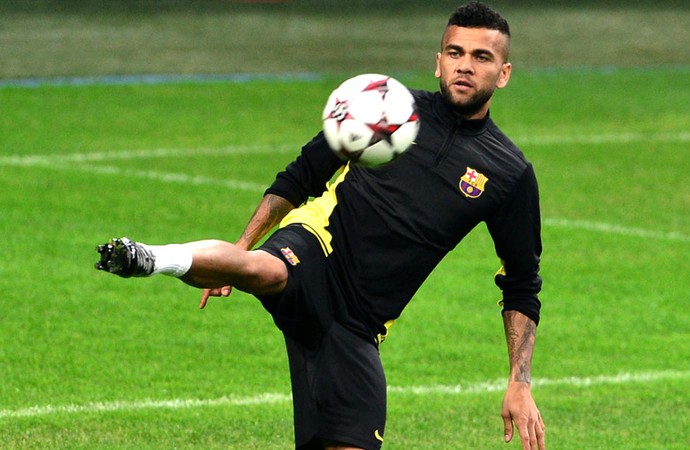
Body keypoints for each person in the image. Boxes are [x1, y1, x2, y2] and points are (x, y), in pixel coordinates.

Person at [95, 2, 546, 449]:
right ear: (437, 62)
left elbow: (521, 284)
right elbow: (301, 175)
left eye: (480, 57)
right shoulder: (384, 107)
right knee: (265, 270)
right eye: (454, 52)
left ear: (503, 73)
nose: (464, 66)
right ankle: (150, 258)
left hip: (360, 322)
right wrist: (241, 251)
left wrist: (519, 382)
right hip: (317, 246)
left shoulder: (509, 173)